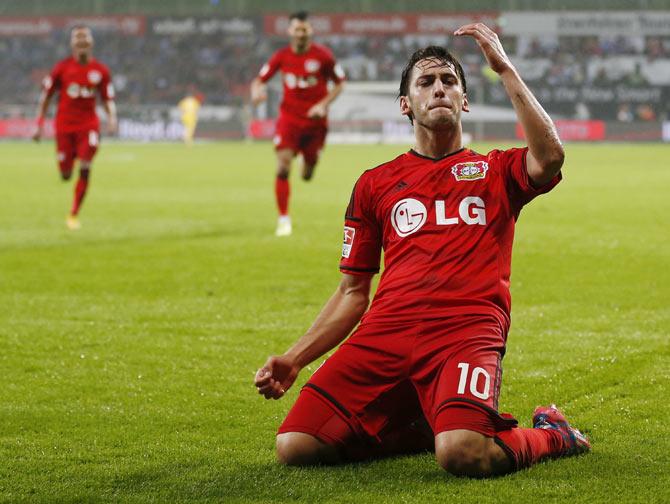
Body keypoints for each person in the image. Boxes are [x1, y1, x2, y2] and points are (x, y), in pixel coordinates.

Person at [254, 23, 590, 477]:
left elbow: (549, 157)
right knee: (296, 445)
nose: (439, 89)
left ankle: (553, 433)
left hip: (465, 330)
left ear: (464, 101)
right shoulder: (374, 184)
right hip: (386, 332)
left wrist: (504, 67)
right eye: (426, 82)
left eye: (450, 82)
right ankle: (424, 425)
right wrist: (294, 358)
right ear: (405, 105)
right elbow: (353, 292)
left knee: (463, 455)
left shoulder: (494, 169)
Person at [250, 11, 345, 237]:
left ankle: (309, 157)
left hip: (315, 123)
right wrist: (257, 93)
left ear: (310, 31)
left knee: (307, 175)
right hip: (289, 120)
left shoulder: (323, 56)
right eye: (297, 29)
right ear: (290, 31)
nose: (301, 33)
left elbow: (340, 84)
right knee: (283, 167)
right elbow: (259, 80)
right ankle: (283, 219)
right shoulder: (281, 56)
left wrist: (323, 105)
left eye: (305, 29)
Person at [33, 25, 117, 230]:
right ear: (72, 44)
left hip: (88, 125)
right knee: (66, 174)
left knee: (86, 164)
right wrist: (39, 124)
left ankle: (73, 214)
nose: (81, 42)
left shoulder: (101, 71)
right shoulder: (61, 68)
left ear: (91, 43)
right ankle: (66, 166)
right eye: (77, 39)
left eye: (84, 38)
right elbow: (47, 97)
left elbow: (107, 98)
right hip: (64, 126)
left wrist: (112, 118)